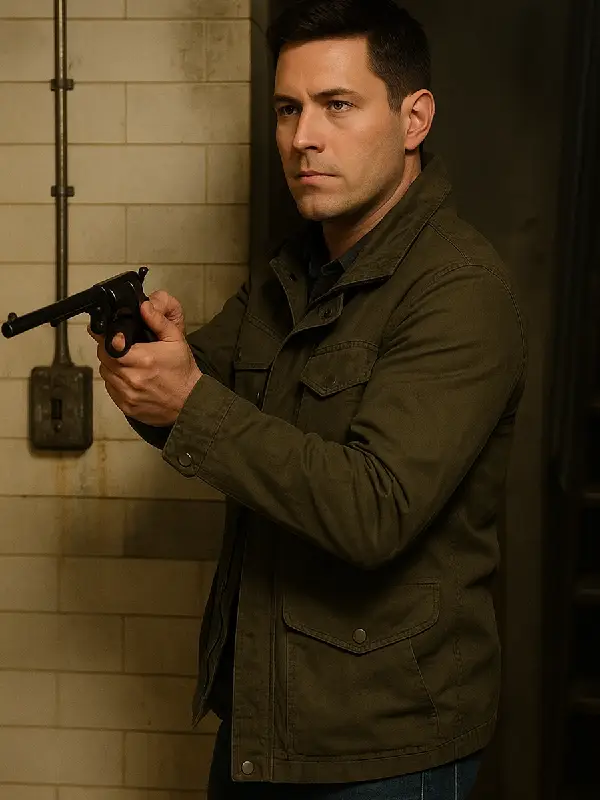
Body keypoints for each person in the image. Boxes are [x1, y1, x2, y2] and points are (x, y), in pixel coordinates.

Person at [89, 0, 527, 797]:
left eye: (337, 105)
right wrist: (148, 360)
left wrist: (188, 400)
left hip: (384, 744)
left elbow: (373, 509)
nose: (302, 138)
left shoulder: (460, 290)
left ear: (414, 118)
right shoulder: (290, 275)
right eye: (288, 109)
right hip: (262, 718)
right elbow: (203, 408)